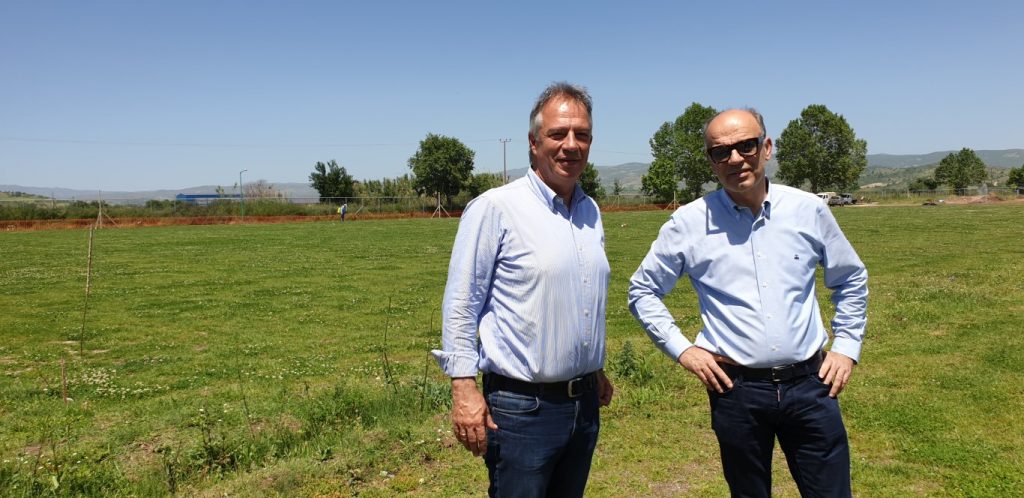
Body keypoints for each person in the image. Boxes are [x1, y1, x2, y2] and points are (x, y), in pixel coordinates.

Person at [627, 108, 868, 497]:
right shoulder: (688, 223)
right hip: (736, 391)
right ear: (711, 160)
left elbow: (850, 277)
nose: (735, 159)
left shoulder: (808, 210)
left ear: (766, 147)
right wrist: (684, 350)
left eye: (746, 146)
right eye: (721, 151)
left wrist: (846, 346)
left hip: (811, 385)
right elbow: (642, 290)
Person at [432, 82, 614, 497]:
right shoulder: (496, 208)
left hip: (584, 405)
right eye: (558, 134)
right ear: (534, 143)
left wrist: (593, 367)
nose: (571, 145)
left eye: (582, 135)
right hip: (522, 410)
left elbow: (579, 293)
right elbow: (462, 303)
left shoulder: (589, 210)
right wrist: (463, 388)